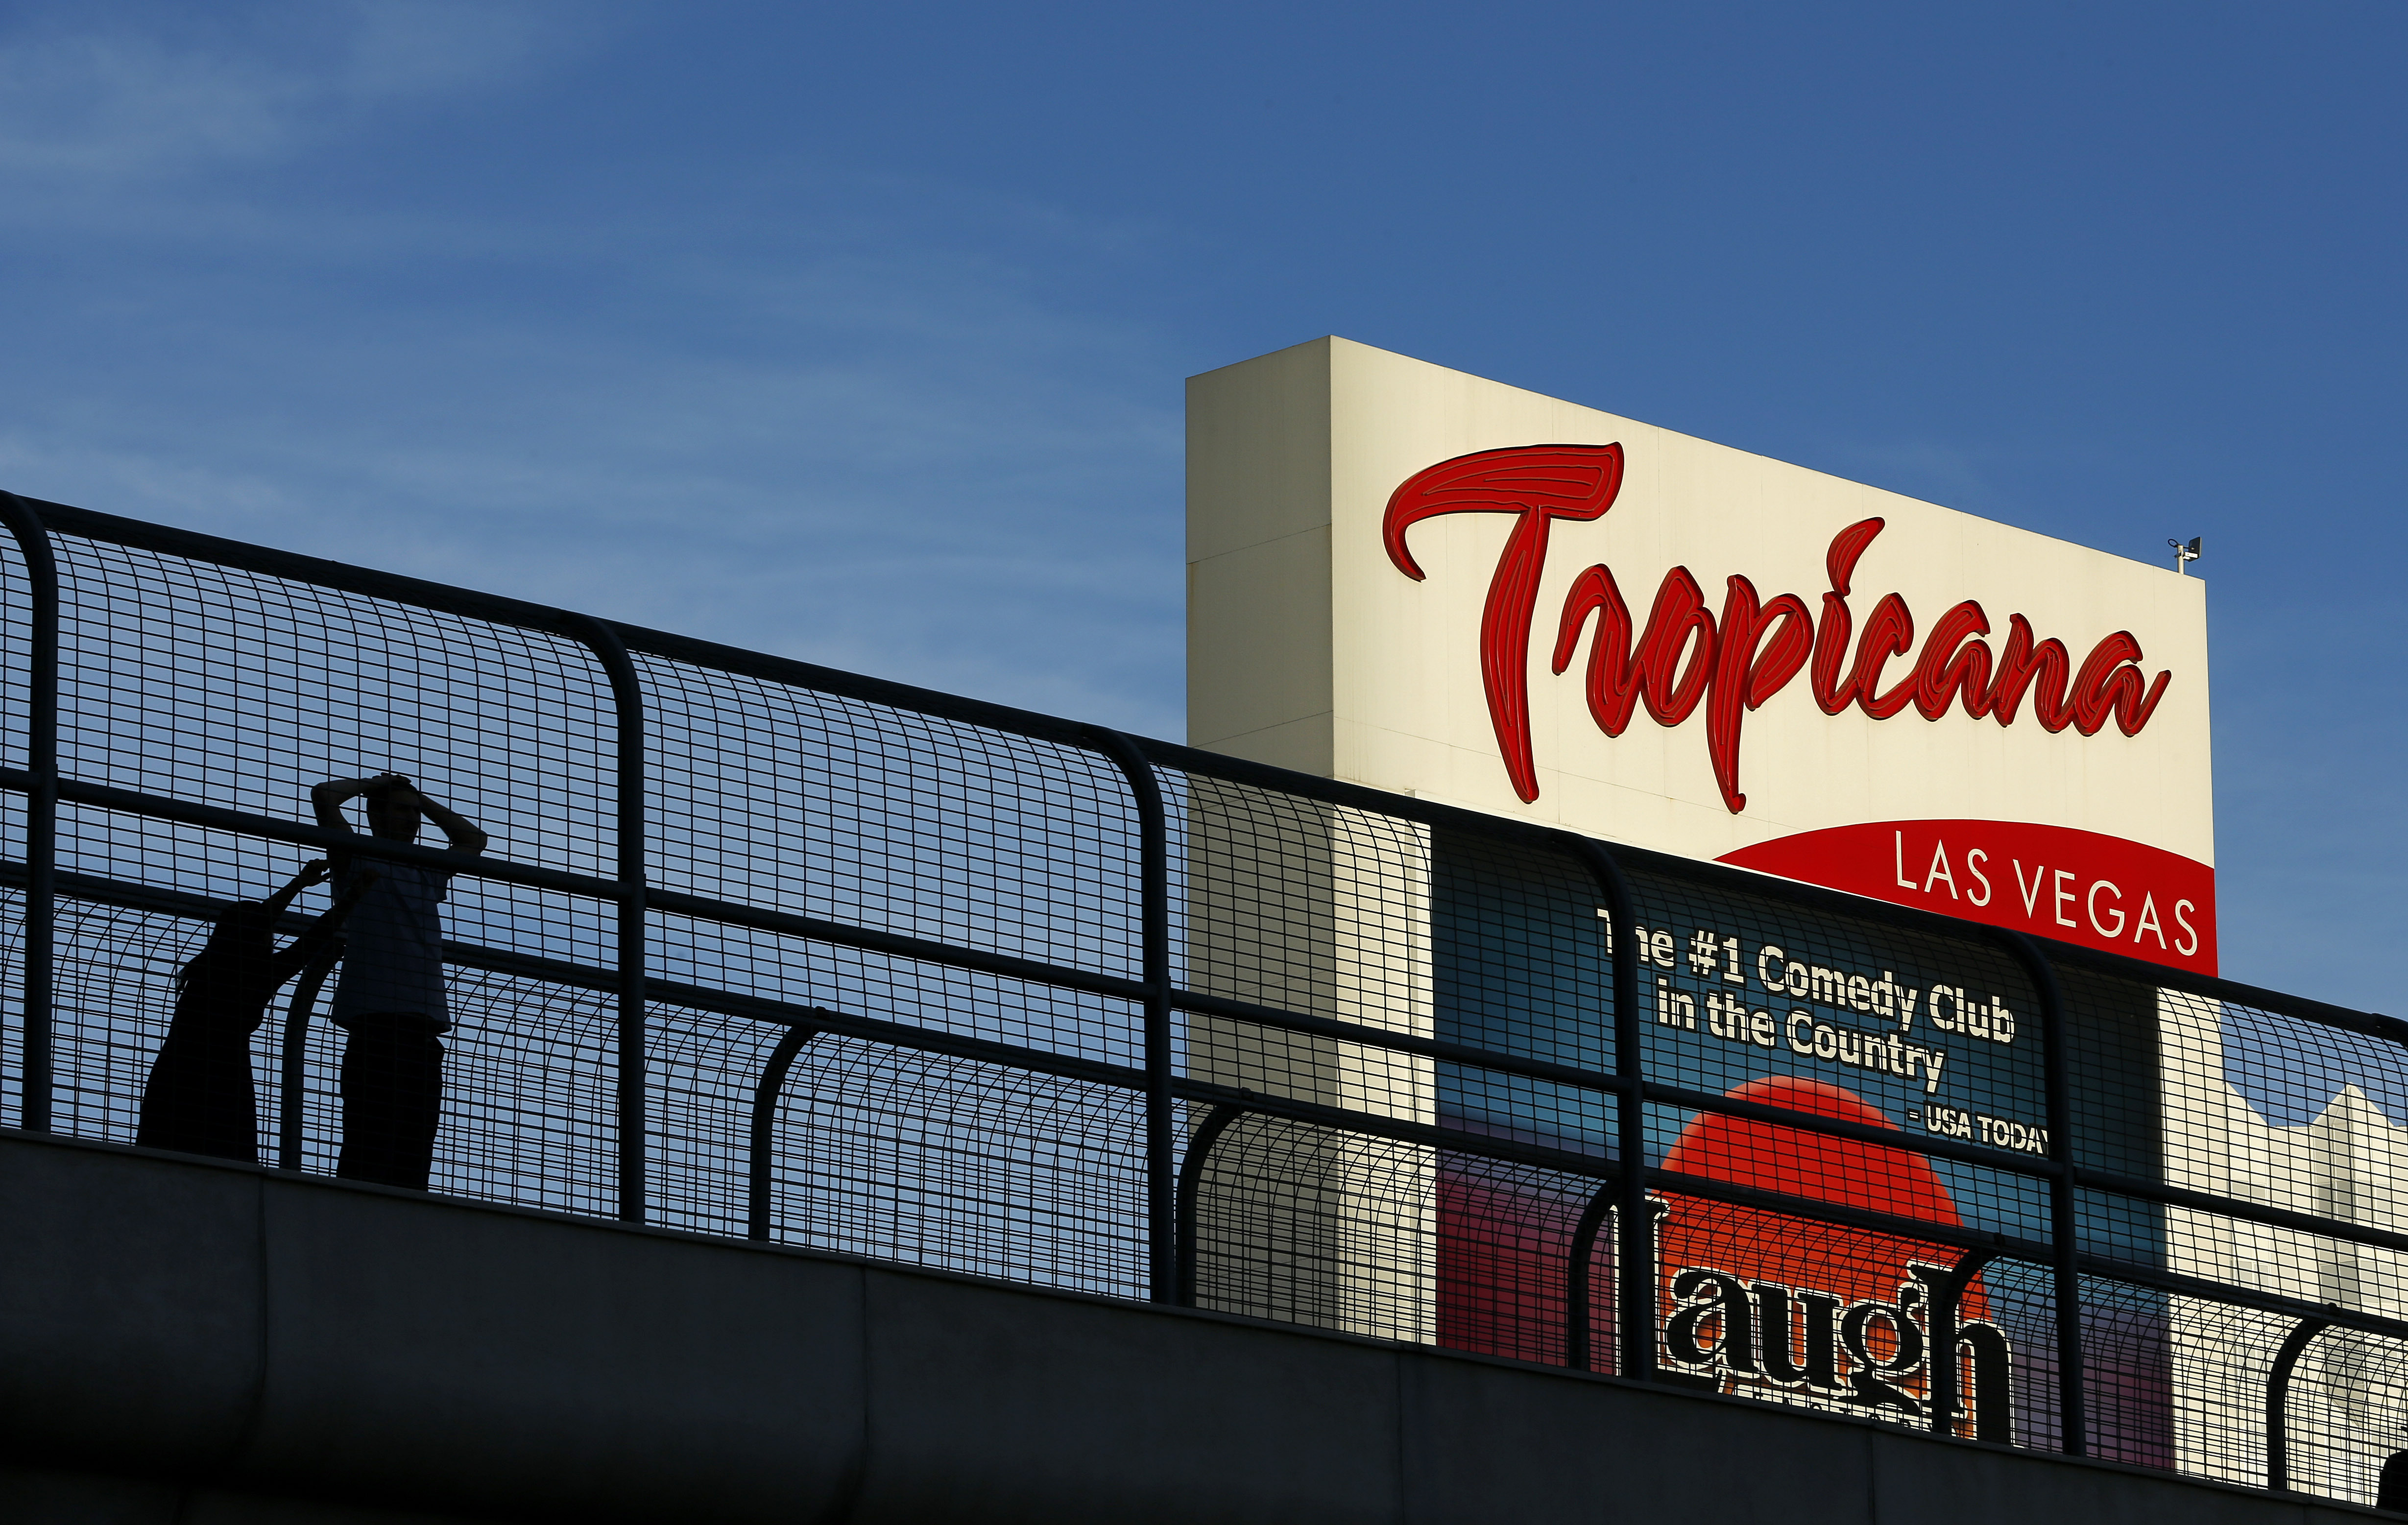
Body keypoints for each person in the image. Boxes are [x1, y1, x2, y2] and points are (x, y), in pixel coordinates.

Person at [310, 771, 487, 1190]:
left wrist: (420, 799)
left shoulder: (427, 869)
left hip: (422, 1030)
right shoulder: (356, 857)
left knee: (413, 1151)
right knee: (370, 1146)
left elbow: (474, 840)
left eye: (415, 813)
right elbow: (324, 797)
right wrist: (373, 785)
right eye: (401, 810)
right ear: (375, 814)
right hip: (375, 1024)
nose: (412, 819)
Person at [137, 859, 373, 1163]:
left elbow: (262, 922)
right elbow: (311, 936)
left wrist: (299, 885)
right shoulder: (258, 975)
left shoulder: (209, 969)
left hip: (179, 1075)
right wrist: (352, 895)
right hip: (225, 1082)